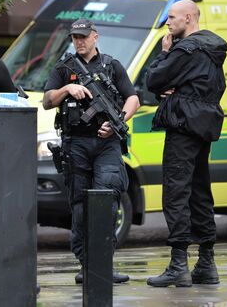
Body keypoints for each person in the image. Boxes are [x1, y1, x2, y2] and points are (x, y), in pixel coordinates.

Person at [42, 19, 140, 284]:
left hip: (106, 144)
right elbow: (47, 101)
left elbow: (133, 98)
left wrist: (118, 119)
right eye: (75, 37)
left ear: (95, 37)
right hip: (77, 145)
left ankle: (103, 264)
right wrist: (66, 89)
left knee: (107, 202)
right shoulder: (64, 68)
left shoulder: (111, 66)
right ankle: (86, 265)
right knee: (80, 206)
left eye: (84, 36)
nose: (79, 41)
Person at [145, 0, 227, 287]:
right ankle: (206, 263)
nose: (167, 23)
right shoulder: (214, 50)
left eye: (171, 18)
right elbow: (213, 87)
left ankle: (178, 265)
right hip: (203, 126)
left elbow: (153, 79)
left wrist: (164, 54)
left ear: (188, 18)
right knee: (200, 191)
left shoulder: (184, 49)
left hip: (182, 126)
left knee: (176, 191)